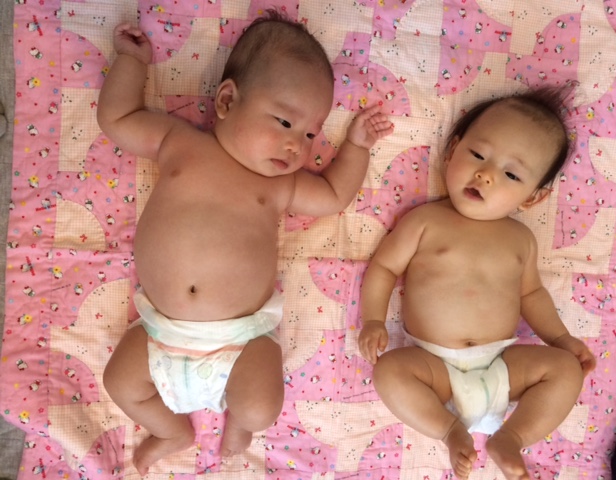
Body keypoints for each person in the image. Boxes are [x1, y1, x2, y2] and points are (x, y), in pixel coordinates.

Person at [98, 11, 394, 475]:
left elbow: (335, 195)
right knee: (119, 382)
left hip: (241, 340)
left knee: (260, 407)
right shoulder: (179, 143)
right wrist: (131, 62)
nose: (297, 145)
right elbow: (117, 118)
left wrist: (356, 145)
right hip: (160, 332)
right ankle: (171, 431)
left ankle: (240, 423)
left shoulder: (279, 186)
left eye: (311, 133)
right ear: (227, 100)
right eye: (285, 121)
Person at [357, 88, 596, 480]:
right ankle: (449, 430)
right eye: (478, 155)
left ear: (532, 199)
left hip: (502, 364)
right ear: (452, 151)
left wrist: (561, 339)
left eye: (511, 174)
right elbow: (383, 267)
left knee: (566, 370)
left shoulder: (520, 239)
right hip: (433, 368)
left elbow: (532, 294)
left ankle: (511, 437)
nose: (486, 174)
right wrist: (373, 320)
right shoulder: (425, 221)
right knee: (389, 371)